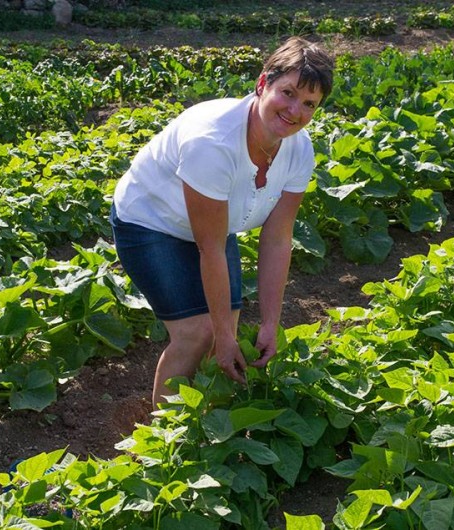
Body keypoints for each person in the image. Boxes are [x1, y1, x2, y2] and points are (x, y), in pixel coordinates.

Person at [110, 37, 334, 407]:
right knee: (199, 334)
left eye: (309, 103)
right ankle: (162, 446)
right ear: (263, 84)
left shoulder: (300, 150)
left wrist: (270, 323)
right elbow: (209, 247)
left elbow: (278, 239)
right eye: (287, 92)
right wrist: (222, 333)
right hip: (151, 221)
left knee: (225, 334)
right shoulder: (212, 143)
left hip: (216, 223)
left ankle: (207, 433)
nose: (295, 110)